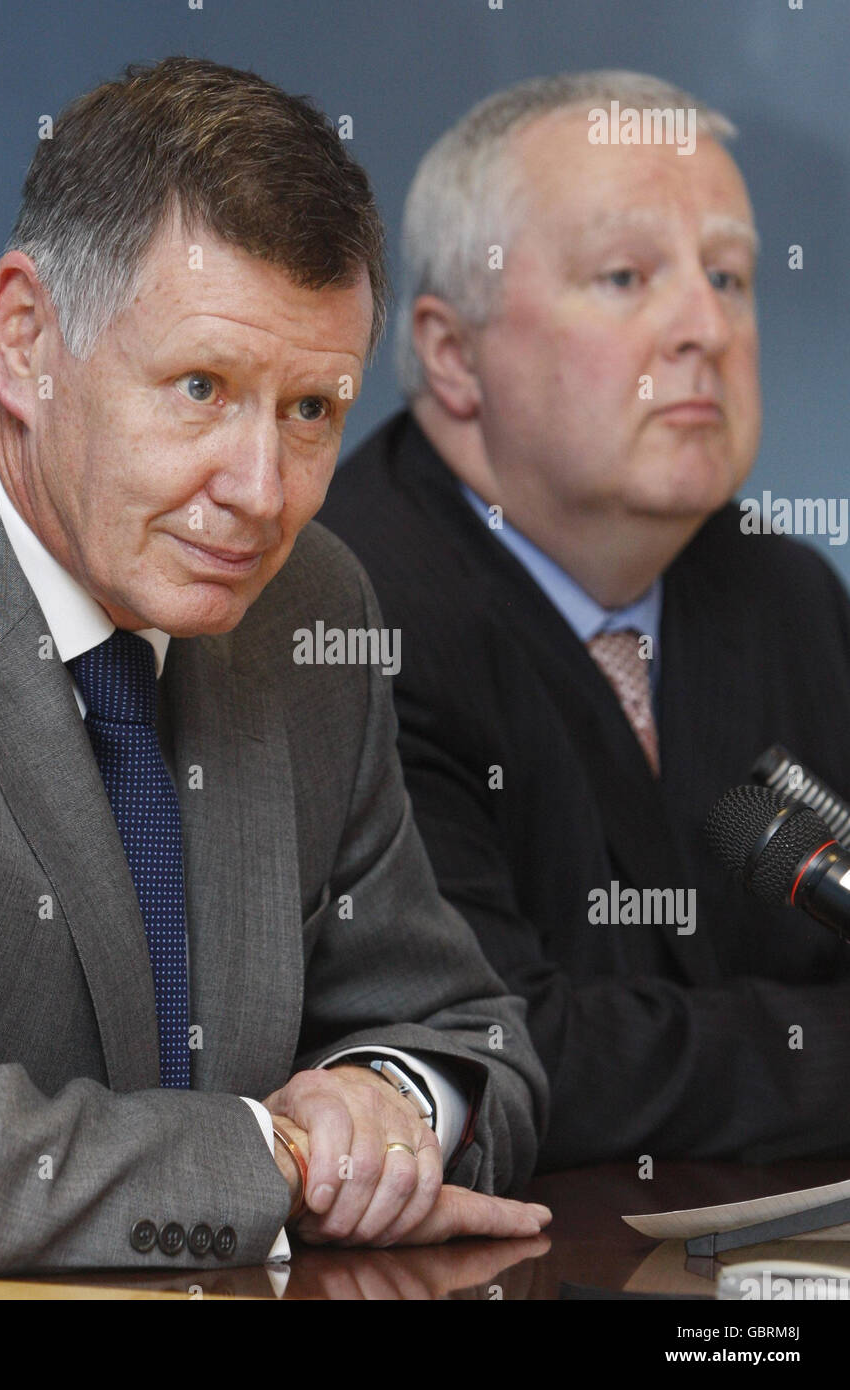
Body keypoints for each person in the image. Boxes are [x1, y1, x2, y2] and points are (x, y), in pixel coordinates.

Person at [0, 56, 550, 1284]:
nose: (261, 493)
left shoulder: (308, 605)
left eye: (311, 411)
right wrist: (277, 1155)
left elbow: (471, 1036)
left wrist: (388, 1106)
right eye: (200, 388)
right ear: (25, 342)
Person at [320, 71, 850, 1171]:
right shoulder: (345, 609)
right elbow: (503, 1049)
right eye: (624, 276)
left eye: (728, 276)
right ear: (453, 354)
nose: (704, 326)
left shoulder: (790, 597)